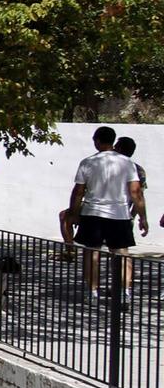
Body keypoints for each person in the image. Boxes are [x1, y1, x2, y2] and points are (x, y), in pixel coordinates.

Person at [69, 125, 146, 298]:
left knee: (92, 252)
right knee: (122, 253)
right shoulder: (127, 163)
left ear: (97, 141)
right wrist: (142, 216)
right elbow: (135, 191)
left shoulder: (88, 162)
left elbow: (78, 191)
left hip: (93, 213)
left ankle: (93, 292)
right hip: (119, 213)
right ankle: (125, 291)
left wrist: (74, 213)